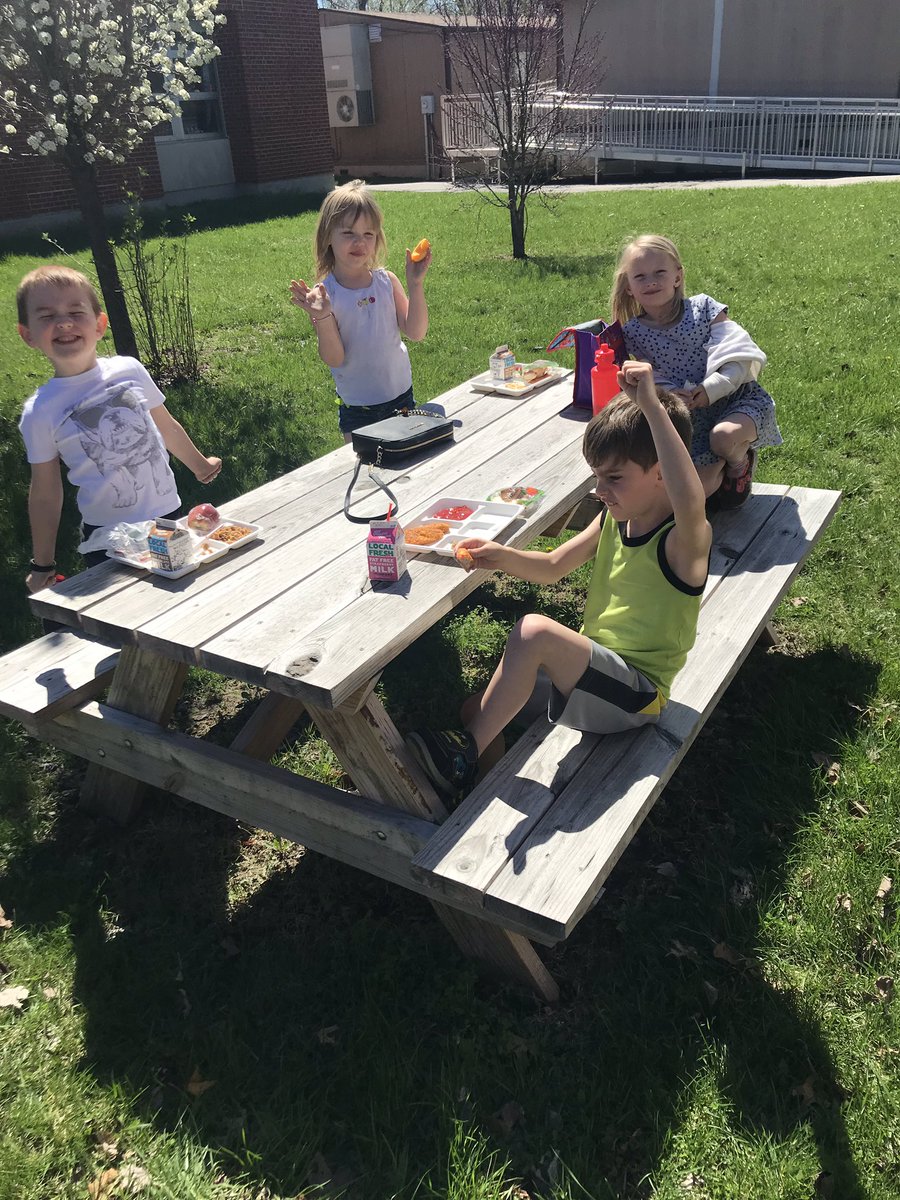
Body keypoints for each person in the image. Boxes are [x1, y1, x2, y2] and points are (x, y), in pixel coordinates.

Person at [406, 360, 712, 799]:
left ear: (662, 472)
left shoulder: (683, 542)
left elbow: (690, 496)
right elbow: (553, 568)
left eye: (614, 478)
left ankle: (463, 755)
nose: (599, 490)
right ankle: (473, 784)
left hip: (637, 695)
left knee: (533, 632)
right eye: (595, 477)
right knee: (477, 709)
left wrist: (649, 404)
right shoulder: (613, 519)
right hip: (596, 672)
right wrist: (502, 556)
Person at [16, 264, 221, 593]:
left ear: (99, 325)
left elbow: (164, 425)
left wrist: (199, 465)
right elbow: (45, 492)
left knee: (185, 596)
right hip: (109, 540)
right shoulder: (40, 411)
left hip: (168, 516)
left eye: (74, 311)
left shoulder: (129, 370)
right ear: (28, 335)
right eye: (47, 315)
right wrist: (43, 564)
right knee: (129, 615)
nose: (64, 322)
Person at [610, 234, 781, 508]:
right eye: (640, 276)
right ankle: (718, 481)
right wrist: (668, 394)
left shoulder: (704, 309)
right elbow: (651, 374)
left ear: (678, 276)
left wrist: (710, 389)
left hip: (735, 399)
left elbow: (737, 356)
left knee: (723, 438)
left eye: (660, 273)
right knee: (694, 494)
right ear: (628, 286)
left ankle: (740, 463)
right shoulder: (633, 332)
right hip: (688, 415)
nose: (651, 281)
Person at [289, 179, 431, 442]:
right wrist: (322, 317)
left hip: (402, 399)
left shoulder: (386, 282)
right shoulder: (323, 297)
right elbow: (334, 358)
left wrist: (416, 284)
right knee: (366, 477)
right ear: (327, 237)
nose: (360, 242)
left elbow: (417, 332)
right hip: (359, 410)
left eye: (368, 234)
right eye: (348, 233)